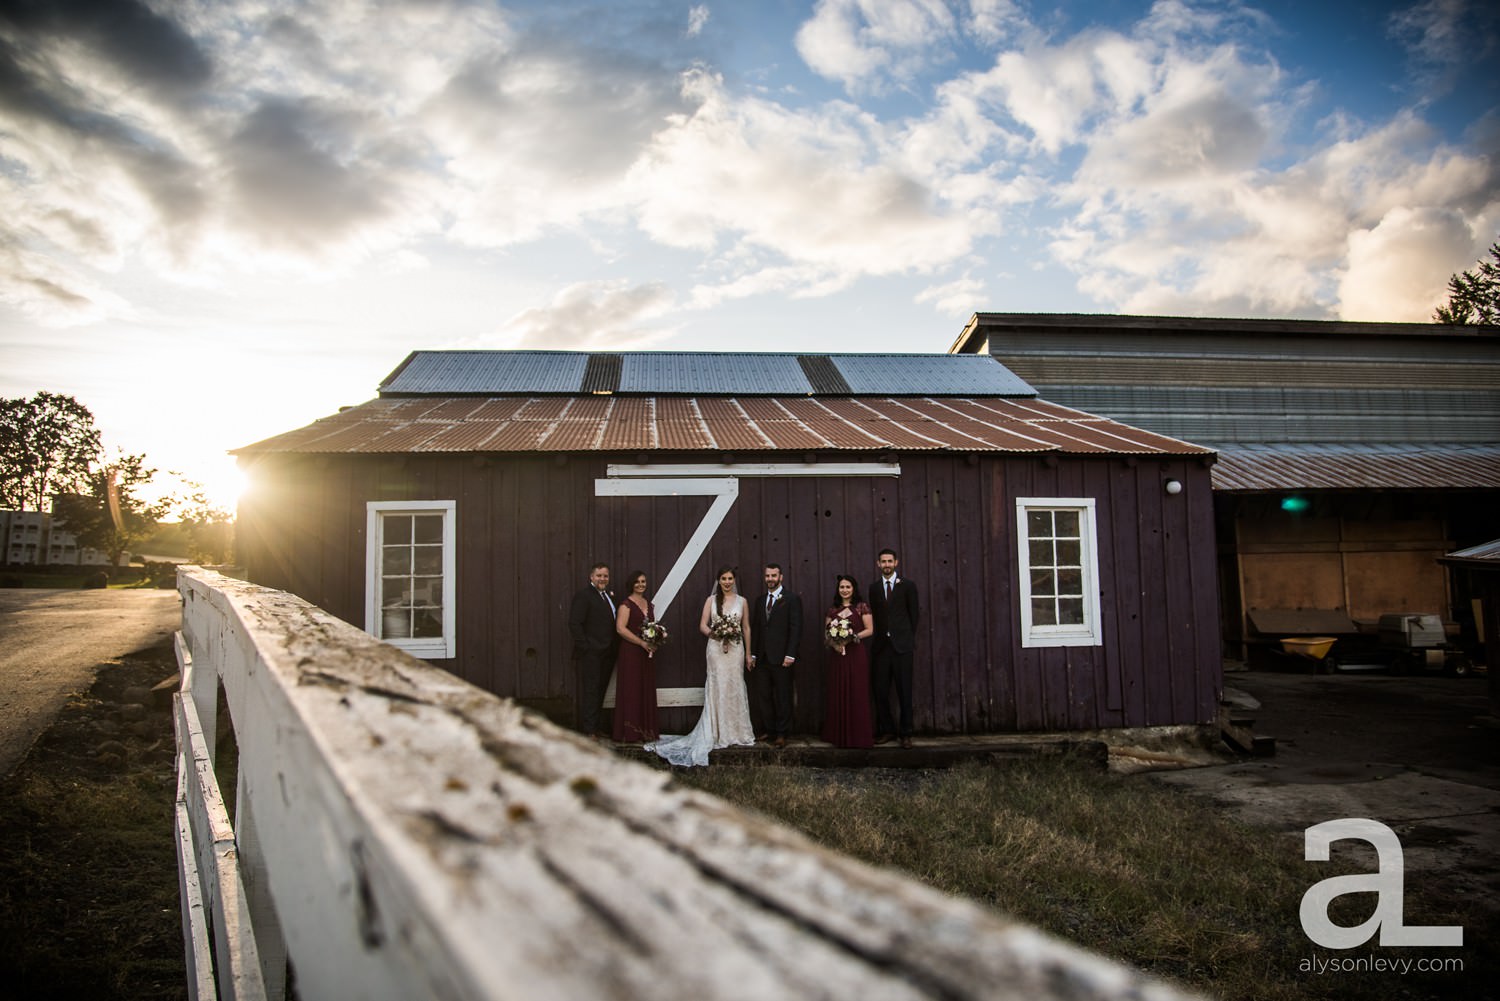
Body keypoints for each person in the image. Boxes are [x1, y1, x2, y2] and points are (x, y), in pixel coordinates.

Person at [647, 567, 755, 767]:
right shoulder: (710, 601)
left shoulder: (742, 601)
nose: (727, 582)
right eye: (723, 578)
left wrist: (748, 654)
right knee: (718, 686)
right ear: (718, 580)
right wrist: (718, 634)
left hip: (736, 650)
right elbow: (703, 625)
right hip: (715, 650)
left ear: (734, 580)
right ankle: (716, 731)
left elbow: (746, 627)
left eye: (730, 578)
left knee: (734, 686)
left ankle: (736, 731)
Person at [868, 548, 919, 748]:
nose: (887, 564)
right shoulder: (874, 588)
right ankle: (887, 730)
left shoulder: (908, 586)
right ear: (878, 564)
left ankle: (906, 733)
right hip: (881, 648)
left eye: (890, 561)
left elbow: (914, 615)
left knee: (904, 690)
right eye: (883, 561)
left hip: (902, 647)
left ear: (896, 562)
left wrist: (905, 637)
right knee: (880, 691)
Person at [749, 563, 802, 748]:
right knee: (764, 696)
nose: (770, 579)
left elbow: (796, 628)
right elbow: (756, 629)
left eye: (774, 575)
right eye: (767, 576)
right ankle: (769, 730)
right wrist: (753, 655)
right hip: (763, 657)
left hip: (782, 658)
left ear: (781, 577)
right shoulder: (760, 600)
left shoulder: (792, 598)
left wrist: (790, 654)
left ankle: (782, 733)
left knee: (783, 696)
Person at [820, 575, 875, 749]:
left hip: (855, 654)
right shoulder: (832, 609)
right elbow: (827, 633)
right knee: (838, 691)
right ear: (838, 589)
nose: (844, 590)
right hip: (838, 656)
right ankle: (837, 734)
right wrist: (834, 644)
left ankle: (858, 735)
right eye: (842, 587)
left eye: (848, 587)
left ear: (853, 589)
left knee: (856, 692)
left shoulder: (861, 607)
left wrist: (853, 637)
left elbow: (870, 630)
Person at [568, 562, 618, 739]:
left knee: (600, 690)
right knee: (591, 690)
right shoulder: (584, 596)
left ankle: (596, 728)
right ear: (591, 577)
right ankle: (589, 731)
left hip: (607, 652)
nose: (602, 579)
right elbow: (575, 623)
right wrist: (586, 647)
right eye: (599, 576)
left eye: (605, 576)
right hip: (592, 653)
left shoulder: (607, 596)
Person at [612, 570, 660, 743]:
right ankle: (631, 733)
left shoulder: (648, 603)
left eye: (643, 581)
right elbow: (620, 629)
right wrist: (641, 643)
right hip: (631, 652)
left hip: (646, 653)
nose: (641, 584)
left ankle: (646, 731)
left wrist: (658, 637)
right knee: (632, 690)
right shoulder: (626, 604)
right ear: (631, 584)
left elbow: (652, 626)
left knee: (644, 688)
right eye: (637, 582)